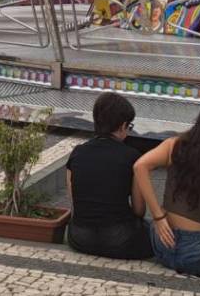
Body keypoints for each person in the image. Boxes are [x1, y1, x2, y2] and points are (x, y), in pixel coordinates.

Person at [134, 98, 200, 276]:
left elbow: (140, 166)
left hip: (162, 245)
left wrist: (158, 217)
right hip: (198, 255)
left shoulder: (173, 145)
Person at [65, 93, 153, 260]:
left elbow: (75, 203)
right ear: (122, 126)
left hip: (79, 238)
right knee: (152, 229)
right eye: (129, 126)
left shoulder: (77, 153)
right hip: (120, 239)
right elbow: (139, 210)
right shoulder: (133, 157)